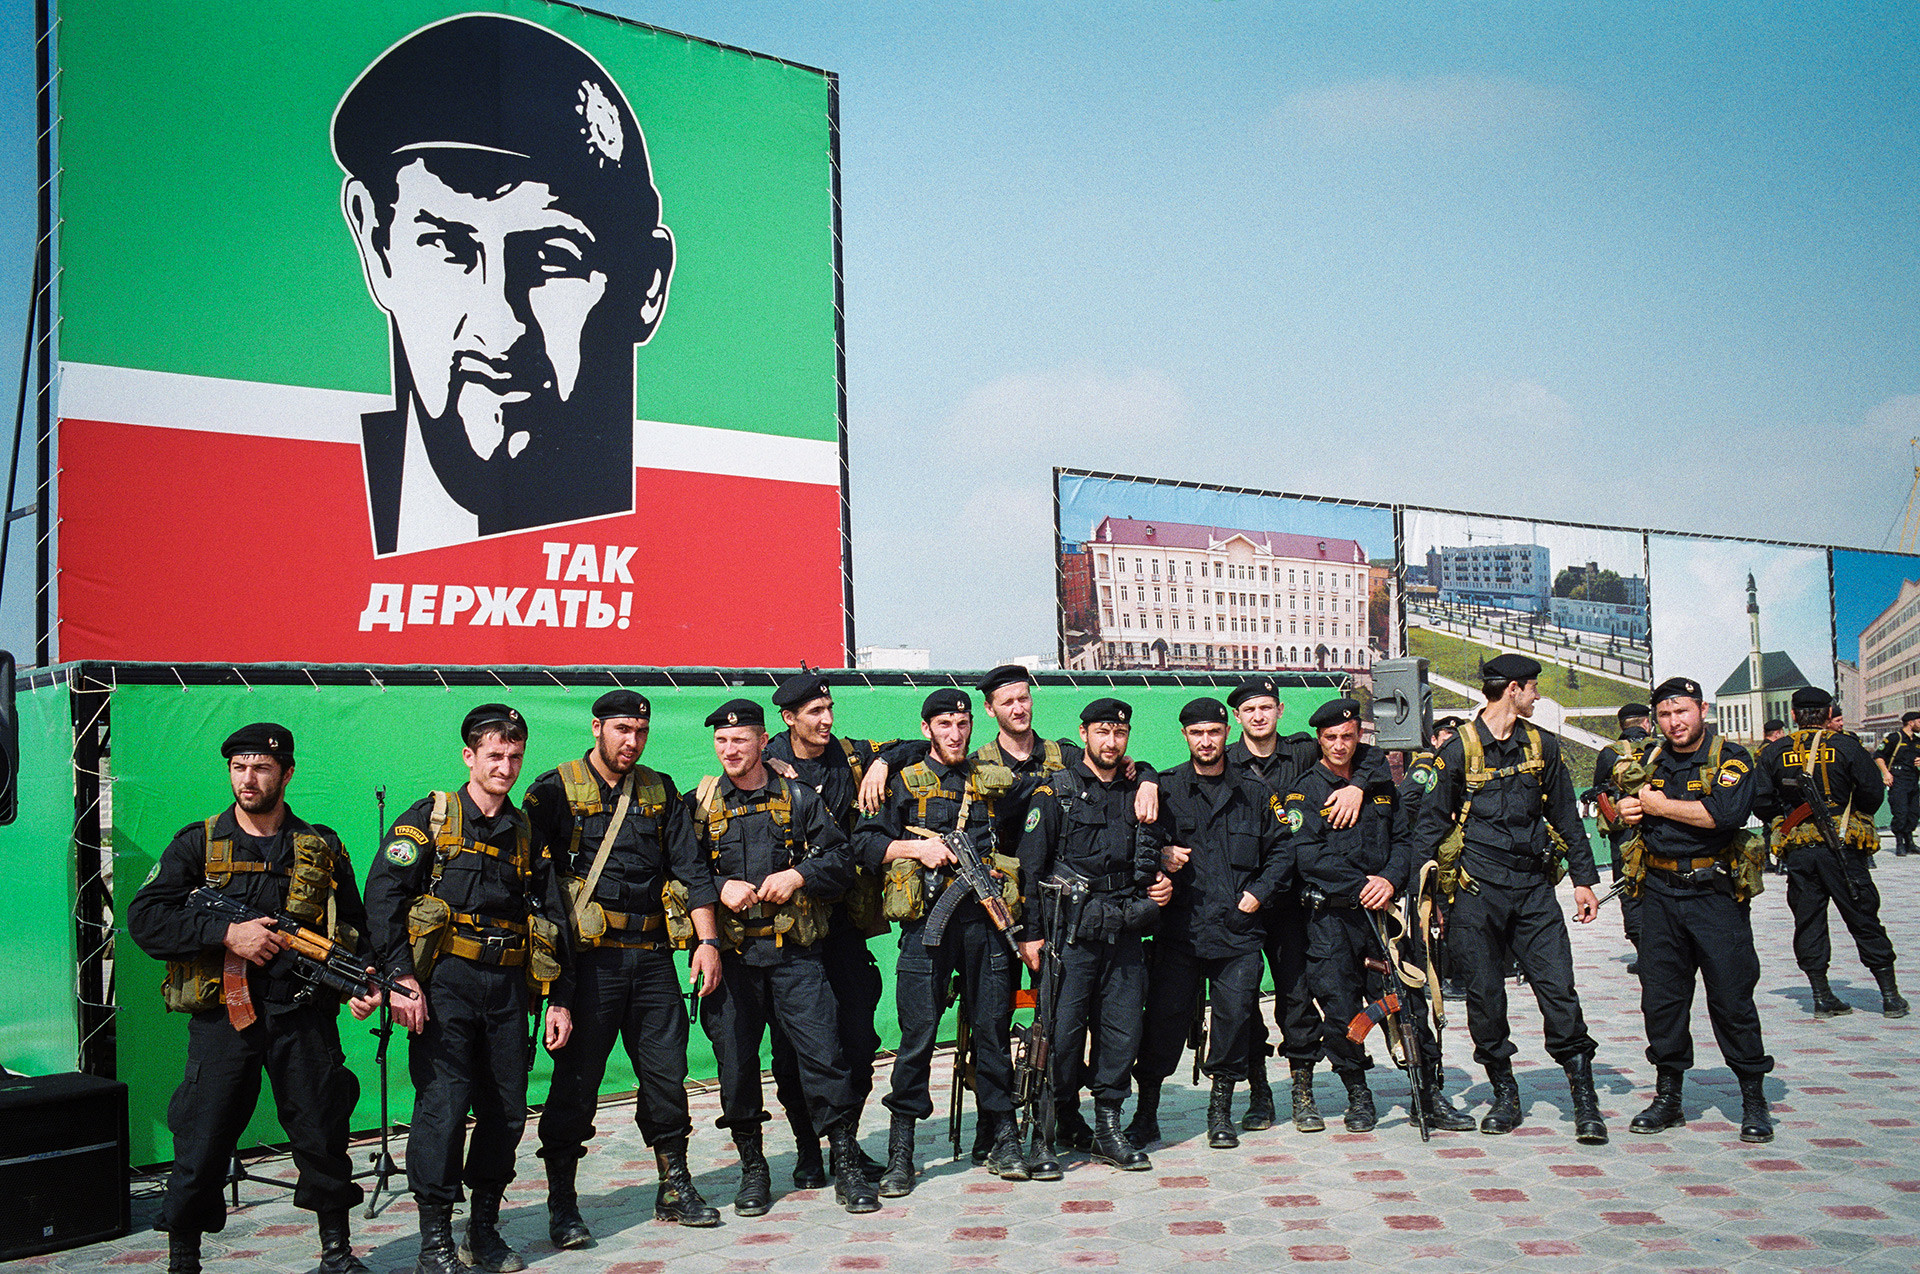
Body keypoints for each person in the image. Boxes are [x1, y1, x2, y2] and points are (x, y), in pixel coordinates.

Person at [333, 14, 676, 555]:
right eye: (447, 246)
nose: (499, 325)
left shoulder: (693, 543)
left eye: (551, 257)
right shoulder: (296, 522)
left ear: (647, 283)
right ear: (377, 246)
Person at [128, 724, 379, 1274]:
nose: (249, 778)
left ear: (286, 773)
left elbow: (355, 926)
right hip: (226, 1018)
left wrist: (361, 983)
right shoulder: (199, 842)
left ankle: (336, 1251)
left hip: (304, 1015)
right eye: (239, 767)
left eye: (261, 768)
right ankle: (183, 1260)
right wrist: (226, 935)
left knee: (323, 1132)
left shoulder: (321, 845)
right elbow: (145, 919)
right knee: (203, 1136)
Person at [364, 704, 572, 1274]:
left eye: (514, 756)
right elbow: (384, 895)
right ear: (469, 756)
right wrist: (400, 979)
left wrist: (559, 997)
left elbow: (554, 915)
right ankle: (435, 1241)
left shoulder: (526, 833)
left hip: (507, 989)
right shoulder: (429, 819)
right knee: (444, 1107)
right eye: (494, 756)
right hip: (444, 987)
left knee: (505, 1110)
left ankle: (484, 1229)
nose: (505, 767)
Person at [525, 690, 722, 1240]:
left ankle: (674, 1184)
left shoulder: (660, 791)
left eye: (640, 731)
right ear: (596, 729)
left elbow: (691, 870)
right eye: (621, 731)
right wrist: (555, 982)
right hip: (588, 965)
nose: (631, 742)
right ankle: (562, 1202)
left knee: (666, 1076)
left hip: (654, 959)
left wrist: (706, 942)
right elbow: (534, 886)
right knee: (576, 1085)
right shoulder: (553, 792)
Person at [690, 698, 878, 1216]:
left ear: (761, 741)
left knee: (825, 1057)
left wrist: (798, 876)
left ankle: (845, 1163)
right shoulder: (700, 804)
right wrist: (720, 885)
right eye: (721, 741)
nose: (730, 749)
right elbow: (679, 870)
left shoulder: (798, 797)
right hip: (732, 962)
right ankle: (754, 1169)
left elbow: (840, 858)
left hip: (797, 957)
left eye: (740, 740)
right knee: (736, 1067)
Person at [852, 688, 1042, 1194]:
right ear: (926, 729)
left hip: (986, 927)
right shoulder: (903, 781)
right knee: (916, 1040)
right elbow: (866, 843)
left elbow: (1051, 785)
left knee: (993, 1033)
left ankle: (1003, 1137)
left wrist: (1143, 775)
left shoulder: (992, 781)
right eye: (944, 725)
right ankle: (901, 1152)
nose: (955, 734)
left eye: (961, 725)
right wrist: (918, 848)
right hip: (928, 929)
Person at [1412, 654, 1607, 1143]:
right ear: (1514, 689)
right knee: (1484, 998)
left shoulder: (1544, 745)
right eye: (1533, 688)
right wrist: (1425, 895)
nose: (1538, 696)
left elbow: (1566, 816)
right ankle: (1505, 1094)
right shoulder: (1457, 751)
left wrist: (1584, 880)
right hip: (1475, 895)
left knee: (1559, 990)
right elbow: (1429, 829)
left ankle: (1584, 1098)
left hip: (1535, 891)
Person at [1281, 701, 1478, 1135]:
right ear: (1319, 740)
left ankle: (1426, 1094)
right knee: (1340, 1011)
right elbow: (1307, 857)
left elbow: (1404, 840)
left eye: (1347, 736)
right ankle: (1358, 1095)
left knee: (1408, 1003)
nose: (1338, 745)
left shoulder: (1381, 786)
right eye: (1330, 738)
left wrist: (1389, 880)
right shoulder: (1304, 791)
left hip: (1384, 917)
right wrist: (1360, 886)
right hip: (1331, 921)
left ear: (1358, 736)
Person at [762, 672, 915, 1187]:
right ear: (789, 717)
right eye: (814, 713)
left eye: (829, 708)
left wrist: (880, 762)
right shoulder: (766, 762)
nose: (827, 720)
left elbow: (917, 743)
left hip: (845, 922)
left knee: (857, 1038)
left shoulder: (849, 755)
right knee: (796, 1047)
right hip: (792, 927)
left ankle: (842, 1143)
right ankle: (810, 1150)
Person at [1615, 677, 1775, 1143]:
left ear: (1702, 709)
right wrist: (1630, 808)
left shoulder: (1731, 758)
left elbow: (1721, 815)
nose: (1674, 722)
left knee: (1731, 997)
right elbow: (1631, 805)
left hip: (1713, 893)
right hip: (1660, 893)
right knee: (1662, 1000)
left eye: (1682, 711)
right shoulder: (1650, 758)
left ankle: (1752, 1097)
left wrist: (1658, 804)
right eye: (1664, 715)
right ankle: (1668, 1096)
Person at [1018, 699, 1170, 1174]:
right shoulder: (1055, 794)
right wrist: (1031, 936)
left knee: (1121, 1033)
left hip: (1124, 931)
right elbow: (1031, 871)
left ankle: (1107, 1129)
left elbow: (1151, 858)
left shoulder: (1138, 792)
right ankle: (1046, 1133)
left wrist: (1160, 886)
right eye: (1101, 732)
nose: (1111, 742)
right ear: (1082, 733)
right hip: (1070, 936)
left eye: (1119, 733)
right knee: (1057, 1038)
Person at [1131, 698, 1288, 1150]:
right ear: (1185, 736)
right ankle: (1147, 1114)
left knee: (1235, 1019)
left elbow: (1283, 850)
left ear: (1226, 733)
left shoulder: (1254, 792)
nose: (1206, 741)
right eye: (1197, 733)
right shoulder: (1166, 788)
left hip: (1237, 932)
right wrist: (1160, 860)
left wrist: (1257, 895)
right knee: (1162, 1023)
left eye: (1214, 732)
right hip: (1179, 933)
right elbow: (1142, 847)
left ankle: (1220, 1111)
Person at [1225, 675, 1372, 1132]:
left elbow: (1364, 756)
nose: (1258, 716)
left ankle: (1302, 1090)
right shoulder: (1223, 759)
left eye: (1266, 707)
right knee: (1243, 1002)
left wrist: (1359, 785)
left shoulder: (1305, 751)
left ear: (1280, 710)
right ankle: (1259, 1093)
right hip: (1245, 902)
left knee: (1297, 998)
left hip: (1295, 903)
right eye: (1249, 710)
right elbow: (1167, 779)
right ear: (1237, 717)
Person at [1754, 688, 1907, 1021]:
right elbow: (1870, 793)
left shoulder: (1776, 751)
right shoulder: (1846, 745)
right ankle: (1890, 996)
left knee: (1808, 921)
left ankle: (1821, 995)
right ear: (1827, 713)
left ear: (1794, 715)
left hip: (1800, 851)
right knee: (1863, 914)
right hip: (1842, 848)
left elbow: (1762, 800)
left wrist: (1785, 817)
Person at [1592, 702, 1654, 966]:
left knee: (1629, 892)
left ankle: (1644, 953)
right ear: (1647, 723)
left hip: (1624, 837)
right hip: (1657, 832)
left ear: (1621, 726)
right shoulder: (1659, 750)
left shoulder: (1609, 753)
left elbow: (1598, 790)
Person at [1875, 711, 1920, 856]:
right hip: (1898, 779)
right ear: (1911, 722)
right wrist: (1886, 773)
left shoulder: (1917, 742)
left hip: (1913, 779)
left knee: (1913, 813)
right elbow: (1879, 756)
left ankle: (1910, 843)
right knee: (1900, 812)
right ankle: (1899, 843)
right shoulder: (1895, 738)